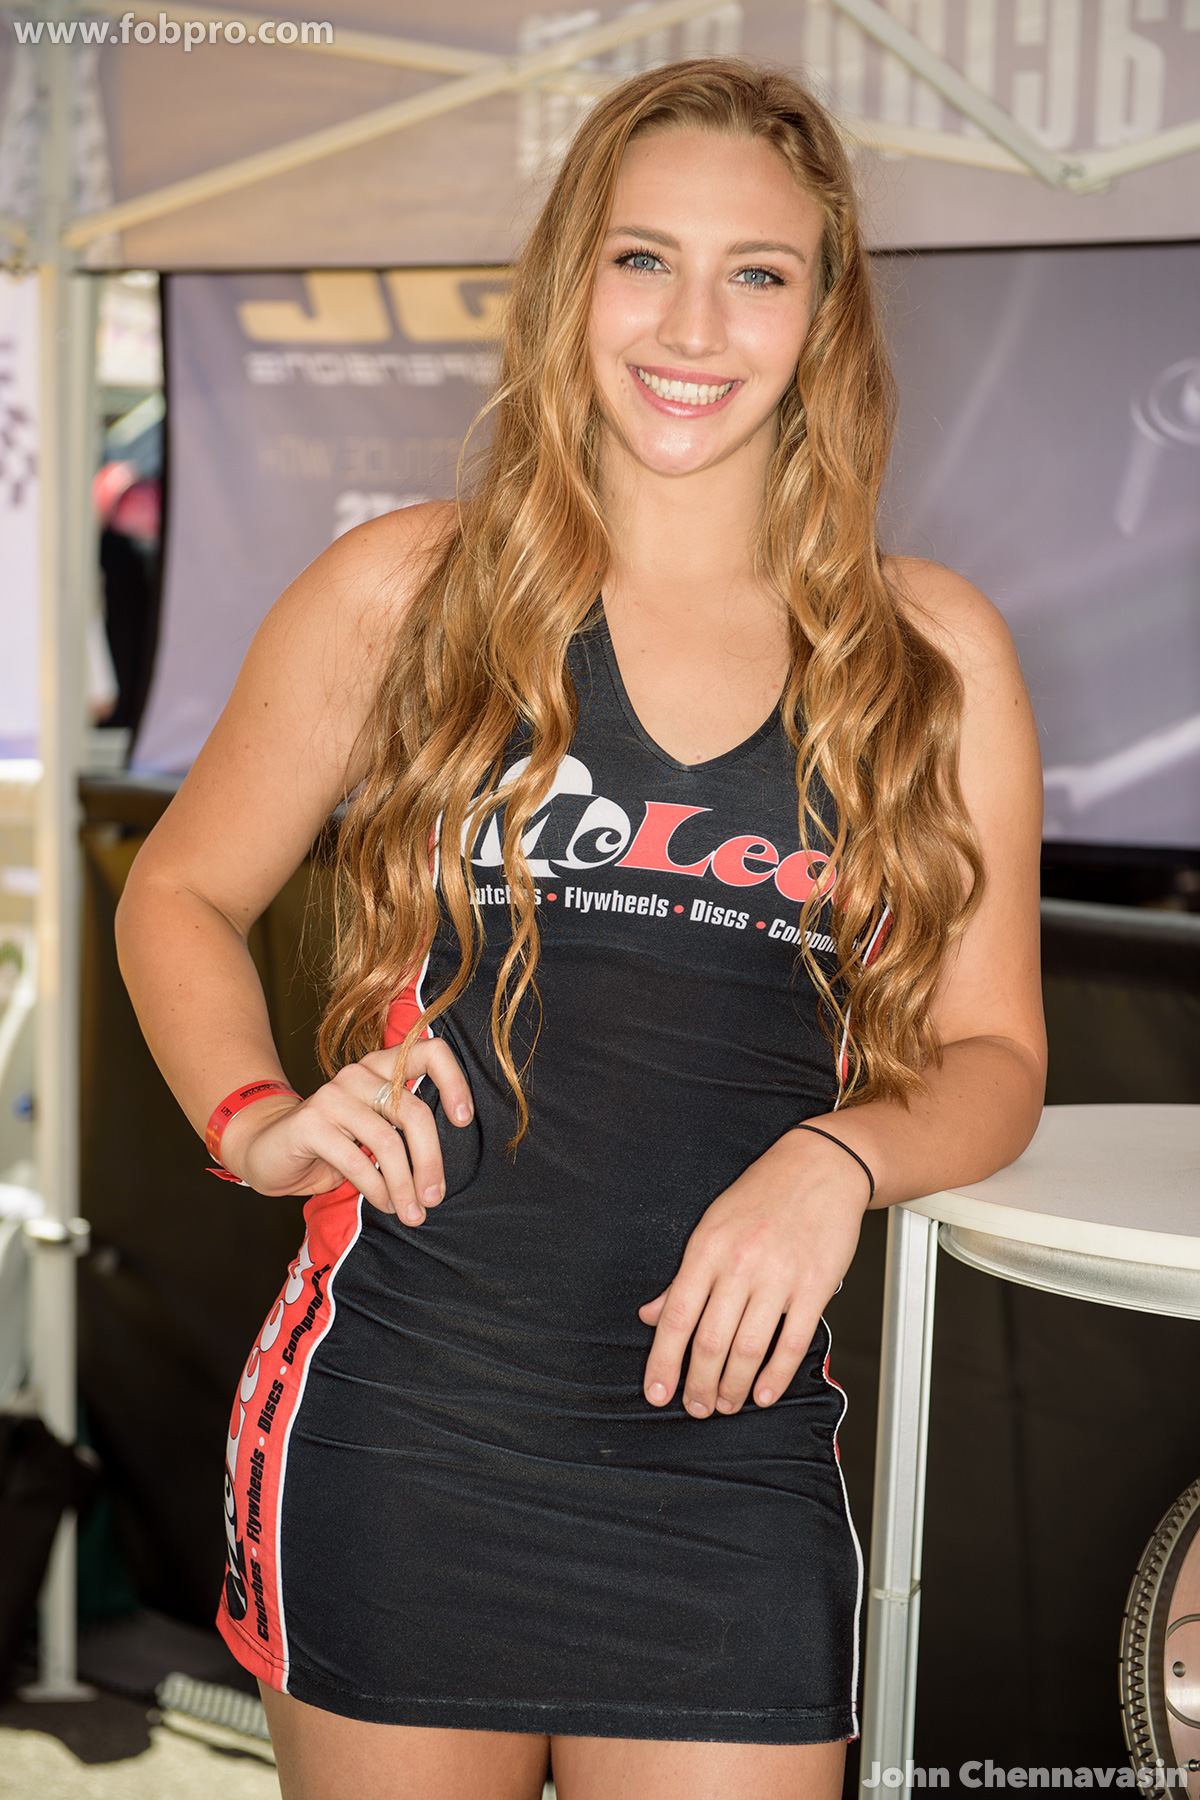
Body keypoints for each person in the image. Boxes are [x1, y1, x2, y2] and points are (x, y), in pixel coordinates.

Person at [116, 57, 1045, 1800]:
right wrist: (254, 1119)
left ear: (824, 314)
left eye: (756, 272)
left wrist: (836, 1160)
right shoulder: (407, 592)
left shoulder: (926, 655)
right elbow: (180, 891)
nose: (693, 324)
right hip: (399, 1437)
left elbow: (995, 1055)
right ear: (569, 283)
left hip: (730, 1469)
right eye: (642, 259)